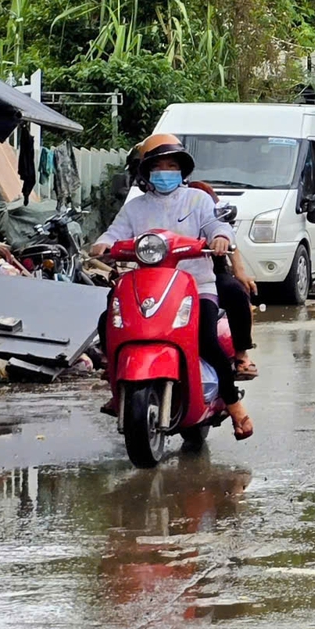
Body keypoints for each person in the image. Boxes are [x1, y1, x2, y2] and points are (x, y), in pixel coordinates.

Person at [91, 134, 253, 440]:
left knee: (206, 339)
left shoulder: (198, 199)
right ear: (146, 172)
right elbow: (114, 233)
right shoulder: (135, 208)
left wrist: (219, 237)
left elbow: (216, 225)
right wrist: (103, 245)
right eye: (158, 166)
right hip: (146, 287)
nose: (165, 171)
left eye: (172, 165)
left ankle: (234, 406)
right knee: (109, 324)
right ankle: (117, 383)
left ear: (182, 170)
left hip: (196, 284)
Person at [189, 179, 260, 381]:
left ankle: (241, 354)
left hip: (208, 275)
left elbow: (230, 242)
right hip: (169, 276)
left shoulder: (210, 214)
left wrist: (240, 272)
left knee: (236, 291)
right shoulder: (158, 211)